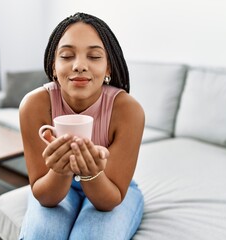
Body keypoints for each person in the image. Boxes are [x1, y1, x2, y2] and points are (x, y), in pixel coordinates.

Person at [19, 12, 145, 240]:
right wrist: (60, 170)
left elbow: (109, 201)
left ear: (108, 68)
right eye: (67, 56)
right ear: (53, 66)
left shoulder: (128, 110)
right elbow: (45, 196)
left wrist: (92, 174)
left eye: (94, 57)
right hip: (54, 185)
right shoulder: (34, 105)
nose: (79, 66)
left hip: (110, 186)